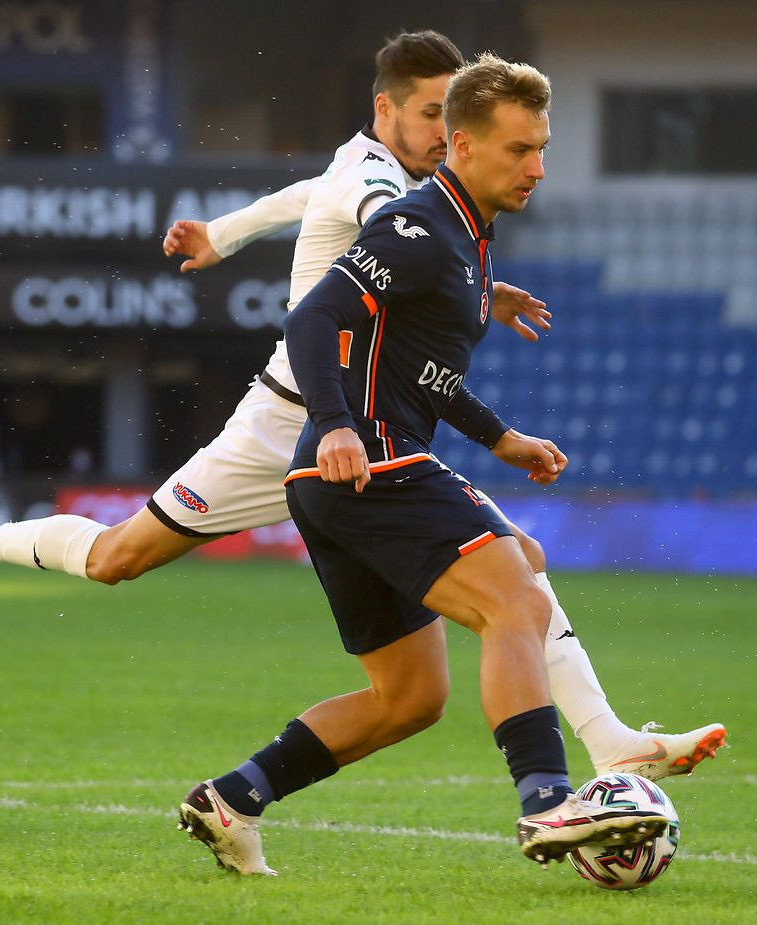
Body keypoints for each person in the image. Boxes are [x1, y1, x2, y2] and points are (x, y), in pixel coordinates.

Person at [0, 32, 723, 786]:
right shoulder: (387, 188)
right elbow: (379, 230)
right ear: (385, 111)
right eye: (431, 114)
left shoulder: (391, 175)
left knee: (510, 572)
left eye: (451, 114)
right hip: (296, 420)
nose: (443, 131)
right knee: (116, 559)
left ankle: (606, 740)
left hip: (369, 423)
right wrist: (462, 280)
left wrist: (222, 234)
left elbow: (300, 195)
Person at [180, 52, 678, 878]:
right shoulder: (417, 227)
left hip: (345, 480)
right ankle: (548, 802)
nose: (537, 167)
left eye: (541, 148)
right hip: (370, 461)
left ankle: (233, 796)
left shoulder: (469, 240)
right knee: (517, 589)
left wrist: (499, 437)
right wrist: (335, 424)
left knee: (411, 698)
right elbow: (313, 318)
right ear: (464, 144)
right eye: (519, 149)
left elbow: (424, 371)